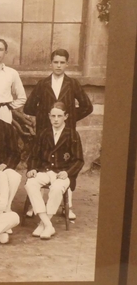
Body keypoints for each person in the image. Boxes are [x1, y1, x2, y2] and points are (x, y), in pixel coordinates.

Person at [24, 48, 93, 220]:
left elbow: (87, 106)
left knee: (66, 165)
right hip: (45, 133)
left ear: (67, 64)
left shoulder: (73, 84)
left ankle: (67, 205)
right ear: (51, 63)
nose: (59, 65)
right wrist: (44, 116)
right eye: (56, 62)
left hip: (65, 132)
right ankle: (35, 203)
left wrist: (68, 119)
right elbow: (29, 107)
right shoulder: (42, 84)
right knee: (41, 164)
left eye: (62, 62)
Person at [24, 102, 84, 239]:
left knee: (57, 188)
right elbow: (33, 155)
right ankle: (47, 224)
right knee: (30, 183)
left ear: (66, 116)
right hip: (44, 171)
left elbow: (79, 160)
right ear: (49, 116)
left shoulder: (72, 134)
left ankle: (43, 224)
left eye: (59, 116)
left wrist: (68, 172)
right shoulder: (43, 133)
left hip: (62, 173)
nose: (56, 119)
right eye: (53, 116)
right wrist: (32, 168)